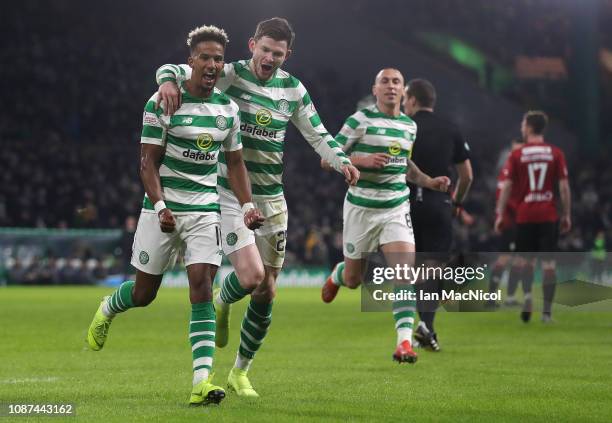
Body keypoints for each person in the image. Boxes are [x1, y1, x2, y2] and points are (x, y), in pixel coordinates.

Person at [154, 17, 359, 397]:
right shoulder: (229, 75)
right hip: (229, 194)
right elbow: (183, 67)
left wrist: (341, 160)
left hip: (273, 198)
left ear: (287, 55)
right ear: (252, 46)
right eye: (264, 50)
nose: (269, 58)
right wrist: (166, 80)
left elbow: (317, 132)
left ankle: (240, 372)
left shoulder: (293, 90)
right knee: (251, 279)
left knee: (267, 291)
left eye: (277, 54)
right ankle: (222, 299)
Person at [86, 25, 263, 406]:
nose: (213, 64)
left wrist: (247, 205)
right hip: (162, 208)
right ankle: (108, 307)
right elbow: (147, 162)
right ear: (190, 62)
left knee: (201, 285)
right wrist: (162, 204)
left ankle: (202, 381)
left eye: (218, 58)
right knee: (143, 293)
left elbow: (234, 164)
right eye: (205, 57)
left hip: (205, 210)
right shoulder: (162, 101)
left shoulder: (227, 110)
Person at [320, 68, 450, 363]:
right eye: (385, 82)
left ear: (404, 92)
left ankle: (404, 343)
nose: (391, 86)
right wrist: (360, 160)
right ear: (375, 89)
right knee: (354, 279)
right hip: (361, 209)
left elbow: (405, 164)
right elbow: (327, 158)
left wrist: (429, 182)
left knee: (404, 274)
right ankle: (339, 274)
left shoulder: (409, 126)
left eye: (396, 82)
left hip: (395, 208)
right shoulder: (359, 120)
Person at [402, 79, 473, 351]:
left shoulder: (405, 126)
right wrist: (457, 202)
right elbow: (467, 176)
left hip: (406, 205)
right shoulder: (450, 128)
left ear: (413, 100)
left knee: (418, 271)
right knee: (437, 267)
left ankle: (426, 329)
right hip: (439, 204)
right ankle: (427, 326)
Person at [495, 110, 572, 323]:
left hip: (525, 215)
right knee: (548, 265)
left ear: (528, 127)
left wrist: (500, 214)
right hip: (548, 214)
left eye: (523, 124)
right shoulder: (555, 153)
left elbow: (507, 187)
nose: (521, 127)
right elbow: (564, 187)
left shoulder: (517, 155)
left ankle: (528, 297)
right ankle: (546, 313)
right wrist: (566, 214)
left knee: (526, 262)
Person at [487, 139, 524, 308]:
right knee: (505, 258)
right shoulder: (509, 168)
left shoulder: (518, 169)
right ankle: (490, 298)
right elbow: (504, 194)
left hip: (516, 220)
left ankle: (509, 297)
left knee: (518, 260)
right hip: (510, 221)